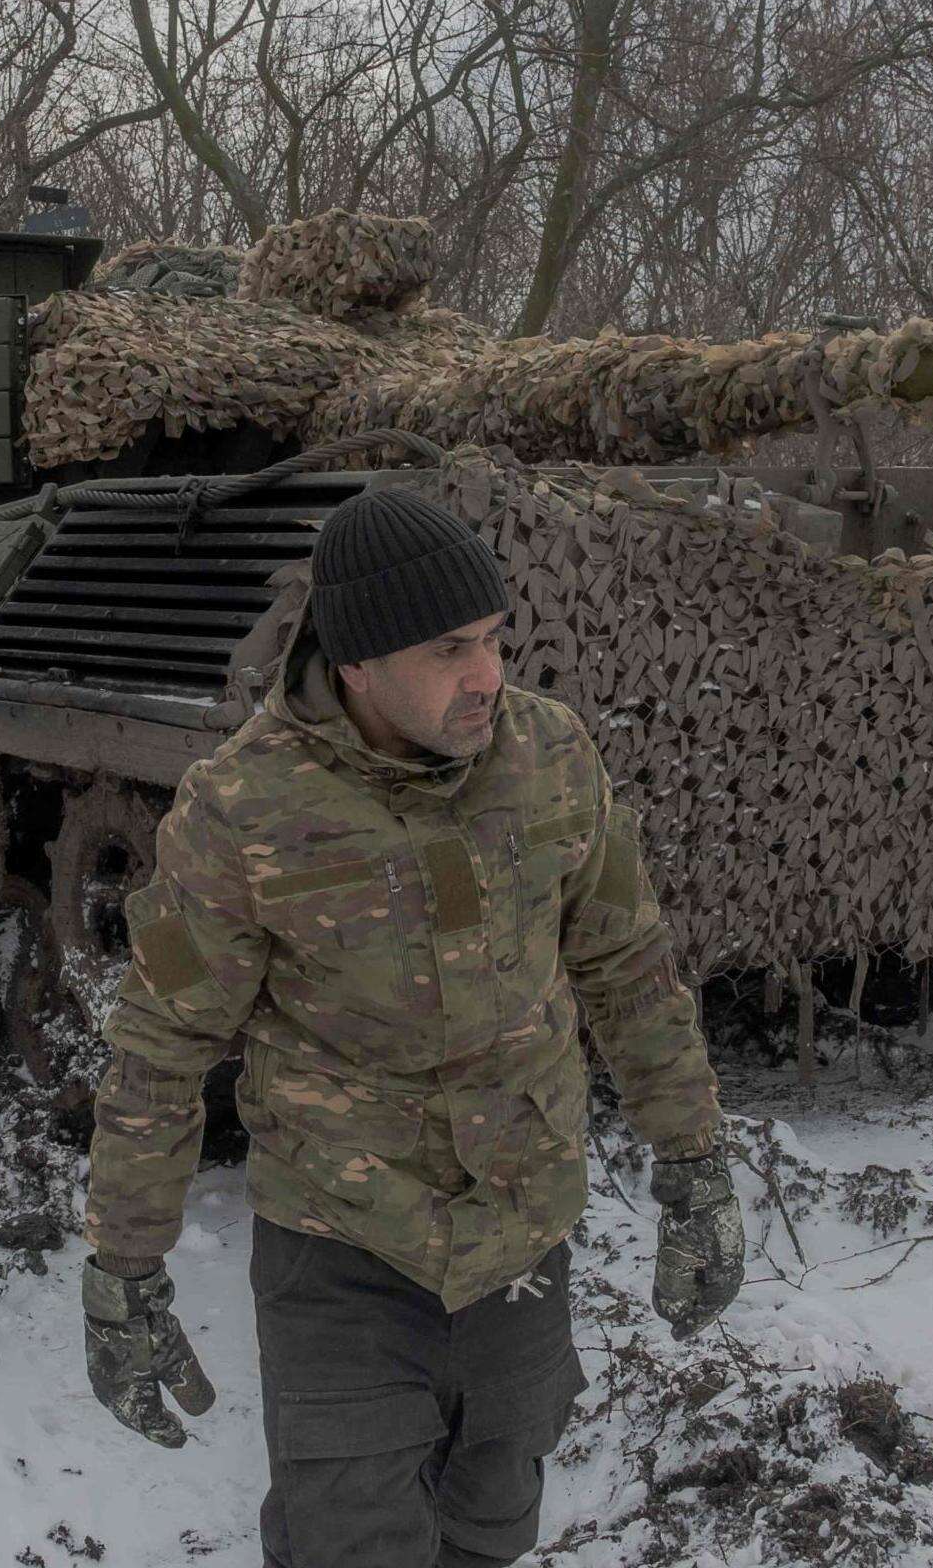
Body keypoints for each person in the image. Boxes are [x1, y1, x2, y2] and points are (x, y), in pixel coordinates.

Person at [80, 485, 743, 1568]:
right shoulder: (243, 808)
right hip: (341, 1250)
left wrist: (696, 1166)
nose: (485, 673)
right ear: (354, 661)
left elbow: (629, 969)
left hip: (521, 1230)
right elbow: (160, 1046)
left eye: (491, 639)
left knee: (491, 1522)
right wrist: (124, 1266)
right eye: (448, 648)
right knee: (349, 1542)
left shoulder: (551, 755)